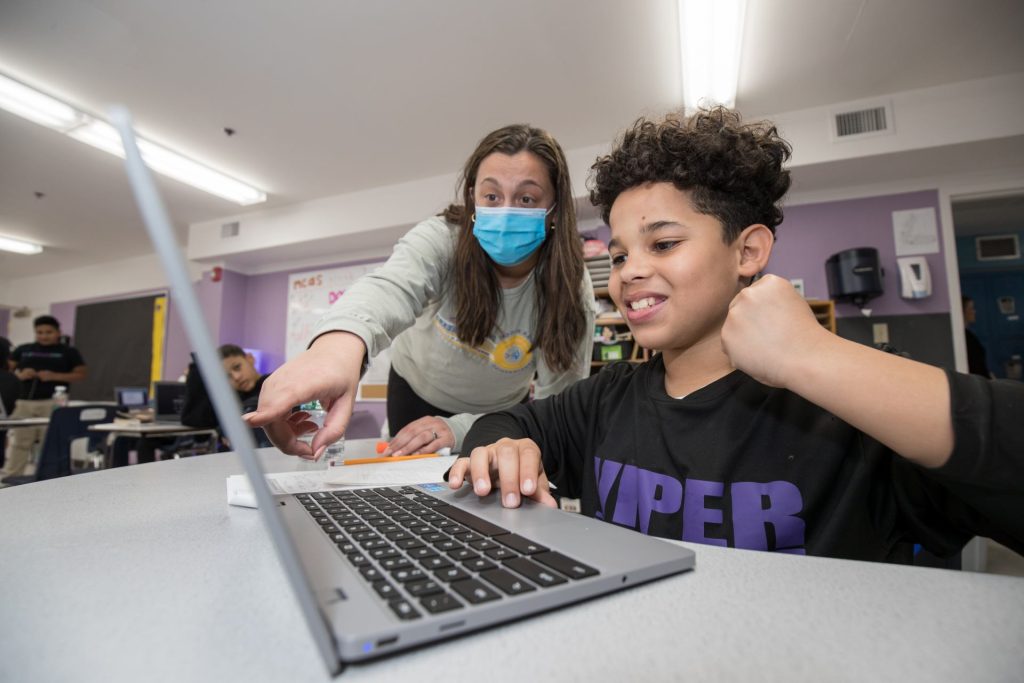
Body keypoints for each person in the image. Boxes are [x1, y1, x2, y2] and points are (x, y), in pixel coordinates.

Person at [447, 107, 1024, 563]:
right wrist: (498, 447)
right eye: (620, 255)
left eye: (664, 243)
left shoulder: (849, 405)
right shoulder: (607, 399)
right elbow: (510, 424)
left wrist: (813, 357)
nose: (629, 273)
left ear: (747, 251)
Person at [247, 124, 595, 460]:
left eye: (526, 198)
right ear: (473, 198)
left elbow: (556, 408)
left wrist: (459, 429)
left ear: (554, 210)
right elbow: (390, 288)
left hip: (502, 412)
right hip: (414, 392)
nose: (505, 211)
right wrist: (333, 350)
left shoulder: (571, 290)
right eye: (491, 195)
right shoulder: (442, 239)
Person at [117, 344, 271, 465]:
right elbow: (193, 418)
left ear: (249, 358)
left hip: (266, 458)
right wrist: (197, 369)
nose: (236, 377)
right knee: (140, 442)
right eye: (228, 376)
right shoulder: (230, 399)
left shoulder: (272, 384)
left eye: (237, 367)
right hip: (232, 464)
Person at [1, 316, 87, 481]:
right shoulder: (24, 349)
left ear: (58, 332)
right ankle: (11, 480)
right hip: (25, 403)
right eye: (39, 332)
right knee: (20, 443)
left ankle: (47, 479)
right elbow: (6, 370)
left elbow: (81, 374)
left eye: (48, 332)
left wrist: (54, 376)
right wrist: (20, 375)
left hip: (54, 402)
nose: (44, 336)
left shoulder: (69, 352)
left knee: (49, 444)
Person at [962, 296, 992, 378]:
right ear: (963, 311)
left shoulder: (969, 336)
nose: (974, 311)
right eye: (971, 308)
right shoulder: (966, 338)